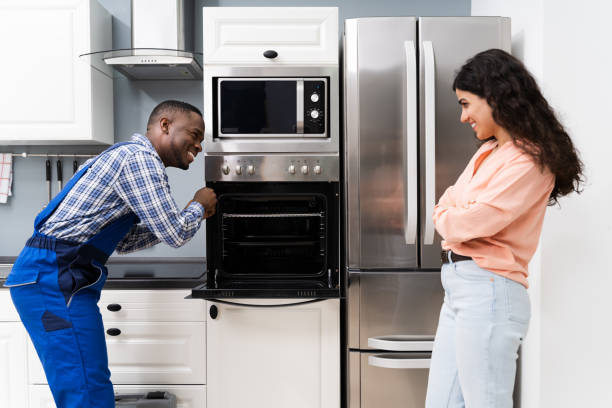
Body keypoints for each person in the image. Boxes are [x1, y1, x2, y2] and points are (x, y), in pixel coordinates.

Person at [3, 100, 217, 408]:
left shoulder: (125, 155)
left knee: (87, 386)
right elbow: (176, 234)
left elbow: (125, 242)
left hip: (57, 278)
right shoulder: (141, 160)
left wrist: (183, 216)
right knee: (85, 393)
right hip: (53, 280)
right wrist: (198, 204)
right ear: (165, 125)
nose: (197, 145)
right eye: (194, 134)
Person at [425, 49, 583, 408]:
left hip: (490, 290)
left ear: (494, 97)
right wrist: (452, 216)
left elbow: (469, 219)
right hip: (459, 287)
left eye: (467, 104)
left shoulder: (531, 160)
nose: (464, 116)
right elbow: (445, 203)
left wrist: (451, 217)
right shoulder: (488, 152)